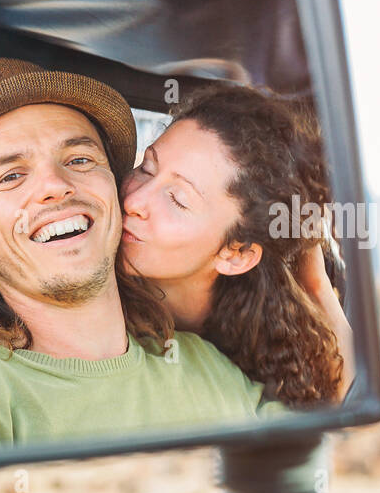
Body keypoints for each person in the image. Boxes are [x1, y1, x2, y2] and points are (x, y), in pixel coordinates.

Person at [0, 57, 289, 446]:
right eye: (11, 176)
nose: (54, 185)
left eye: (79, 159)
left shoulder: (207, 368)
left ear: (113, 185)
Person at [119, 85, 354, 406]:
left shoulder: (274, 340)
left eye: (177, 199)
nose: (133, 200)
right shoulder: (97, 305)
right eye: (146, 168)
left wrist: (316, 285)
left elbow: (346, 405)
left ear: (237, 254)